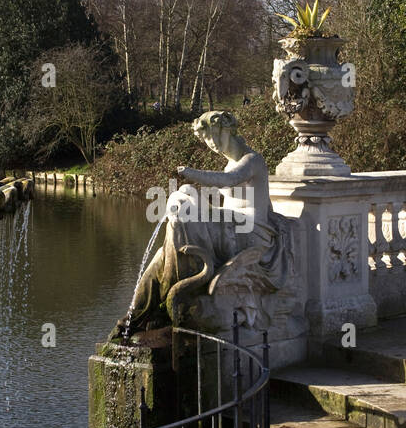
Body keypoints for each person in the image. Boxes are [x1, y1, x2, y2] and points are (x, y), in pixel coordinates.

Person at [117, 111, 292, 337]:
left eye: (212, 135)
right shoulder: (229, 164)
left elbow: (228, 181)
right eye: (205, 139)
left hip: (250, 233)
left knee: (185, 218)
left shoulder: (253, 160)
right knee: (167, 243)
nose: (210, 143)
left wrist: (191, 173)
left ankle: (171, 295)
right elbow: (225, 207)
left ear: (227, 129)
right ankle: (138, 313)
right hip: (232, 227)